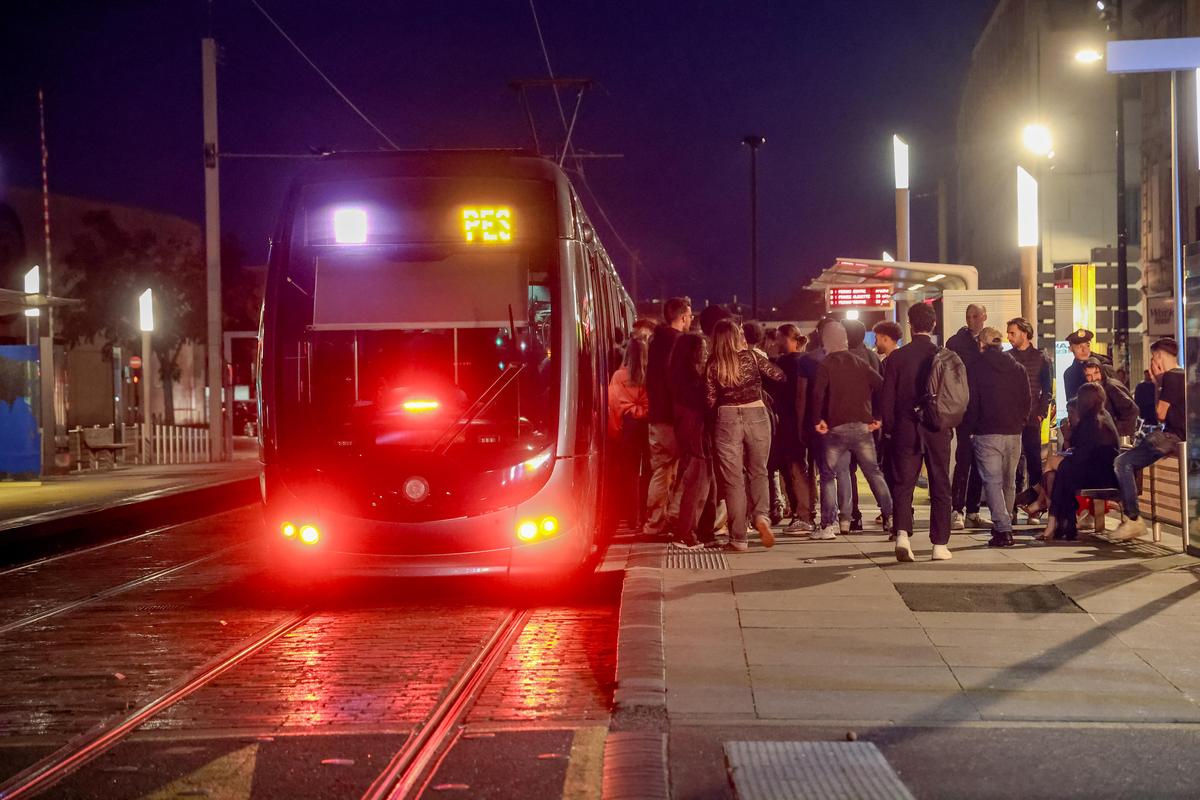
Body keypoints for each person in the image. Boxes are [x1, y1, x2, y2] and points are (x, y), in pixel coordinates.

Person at [881, 302, 955, 562]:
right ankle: (939, 545)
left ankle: (902, 535)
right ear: (934, 324)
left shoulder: (896, 358)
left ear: (910, 325)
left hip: (906, 428)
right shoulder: (942, 355)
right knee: (940, 484)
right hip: (936, 428)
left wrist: (890, 429)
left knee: (904, 484)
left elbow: (886, 399)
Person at [706, 319, 784, 551]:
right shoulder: (752, 357)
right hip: (757, 413)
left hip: (727, 417)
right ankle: (761, 517)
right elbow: (779, 376)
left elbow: (709, 400)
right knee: (758, 471)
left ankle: (738, 538)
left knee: (734, 480)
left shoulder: (713, 364)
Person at [811, 321, 893, 540]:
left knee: (833, 475)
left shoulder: (825, 364)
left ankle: (832, 524)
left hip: (835, 428)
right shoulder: (859, 362)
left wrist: (817, 419)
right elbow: (882, 386)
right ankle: (891, 515)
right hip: (861, 427)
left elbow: (817, 395)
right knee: (873, 472)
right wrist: (878, 417)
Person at [1112, 338, 1184, 540]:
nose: (1152, 362)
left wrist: (1158, 383)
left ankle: (1133, 518)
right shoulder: (1184, 375)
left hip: (1171, 437)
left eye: (1153, 357)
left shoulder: (1170, 377)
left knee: (1122, 462)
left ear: (1159, 356)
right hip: (1180, 437)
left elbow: (1160, 414)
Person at [964, 327, 1030, 547]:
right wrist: (1020, 422)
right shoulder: (1017, 368)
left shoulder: (975, 368)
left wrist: (971, 428)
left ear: (982, 344)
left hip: (987, 432)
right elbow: (1026, 399)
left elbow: (972, 402)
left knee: (992, 482)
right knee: (1008, 482)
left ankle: (1002, 529)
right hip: (1013, 433)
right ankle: (1005, 521)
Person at [1039, 382, 1120, 542]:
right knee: (1059, 472)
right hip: (1105, 472)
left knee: (1058, 470)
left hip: (1096, 476)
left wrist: (1066, 444)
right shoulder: (1104, 417)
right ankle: (1058, 522)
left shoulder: (1090, 422)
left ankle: (1054, 520)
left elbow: (1081, 457)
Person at [644, 297, 692, 536]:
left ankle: (658, 521)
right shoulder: (678, 342)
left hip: (657, 414)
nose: (691, 320)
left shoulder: (656, 342)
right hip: (671, 417)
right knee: (666, 469)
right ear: (683, 317)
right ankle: (656, 523)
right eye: (690, 316)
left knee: (664, 468)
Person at [1006, 317, 1052, 522]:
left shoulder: (1041, 357)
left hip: (1033, 417)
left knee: (1034, 462)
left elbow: (1047, 390)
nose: (1009, 336)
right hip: (1012, 418)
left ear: (1025, 333)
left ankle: (1035, 507)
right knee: (1014, 463)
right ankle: (1013, 507)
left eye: (1012, 332)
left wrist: (1041, 413)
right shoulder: (1007, 357)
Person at [668, 332, 711, 548]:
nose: (704, 352)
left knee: (694, 482)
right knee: (697, 483)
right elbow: (702, 403)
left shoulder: (677, 374)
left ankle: (685, 532)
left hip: (687, 430)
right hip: (695, 432)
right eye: (701, 348)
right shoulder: (692, 379)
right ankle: (686, 533)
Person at [773, 324, 816, 533]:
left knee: (794, 468)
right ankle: (807, 511)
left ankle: (803, 514)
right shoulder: (807, 361)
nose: (776, 342)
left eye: (779, 338)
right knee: (806, 469)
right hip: (807, 422)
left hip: (789, 422)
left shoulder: (784, 363)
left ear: (788, 339)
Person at [947, 304, 986, 530]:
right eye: (968, 316)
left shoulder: (990, 340)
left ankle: (973, 509)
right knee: (964, 460)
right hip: (965, 409)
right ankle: (957, 509)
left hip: (984, 410)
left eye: (975, 316)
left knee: (980, 461)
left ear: (984, 317)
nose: (972, 320)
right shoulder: (956, 343)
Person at [607, 338, 650, 528]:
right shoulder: (650, 375)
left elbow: (614, 404)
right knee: (649, 472)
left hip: (628, 426)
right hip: (648, 425)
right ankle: (647, 514)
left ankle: (632, 517)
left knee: (630, 472)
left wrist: (615, 431)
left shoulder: (618, 376)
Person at [1083, 358, 1139, 437]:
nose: (1093, 378)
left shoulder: (1111, 387)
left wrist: (1116, 433)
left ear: (1101, 371)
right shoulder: (1094, 390)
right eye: (1089, 375)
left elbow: (1132, 411)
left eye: (1096, 373)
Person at [1062, 328, 1115, 402]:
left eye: (1087, 345)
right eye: (1079, 347)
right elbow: (1072, 404)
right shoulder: (1070, 373)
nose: (1084, 350)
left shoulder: (1104, 365)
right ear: (1070, 349)